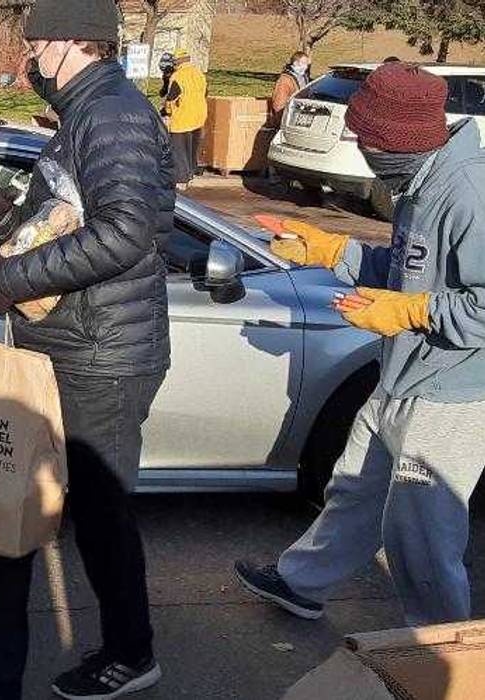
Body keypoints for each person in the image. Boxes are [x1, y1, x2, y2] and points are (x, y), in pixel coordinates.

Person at [0, 0, 175, 698]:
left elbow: (125, 231)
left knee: (96, 519)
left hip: (100, 356)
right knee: (8, 503)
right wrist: (9, 225)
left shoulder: (110, 114)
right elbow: (69, 220)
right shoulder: (87, 112)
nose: (29, 58)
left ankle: (128, 654)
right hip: (67, 345)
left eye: (36, 44)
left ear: (69, 41)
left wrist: (10, 279)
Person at [235, 63, 485, 629]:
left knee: (421, 532)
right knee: (355, 487)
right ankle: (302, 583)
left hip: (452, 393)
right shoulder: (418, 182)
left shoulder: (469, 192)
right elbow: (404, 269)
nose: (357, 143)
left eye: (365, 137)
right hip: (403, 371)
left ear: (397, 140)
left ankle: (442, 650)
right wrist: (331, 252)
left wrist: (413, 311)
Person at [163, 48, 207, 188]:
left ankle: (181, 179)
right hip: (198, 117)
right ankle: (191, 173)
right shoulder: (199, 73)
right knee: (191, 149)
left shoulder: (178, 76)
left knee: (179, 150)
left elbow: (172, 97)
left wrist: (167, 111)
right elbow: (205, 92)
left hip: (181, 118)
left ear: (176, 62)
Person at [270, 51, 311, 123]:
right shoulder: (284, 80)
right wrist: (283, 119)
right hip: (287, 117)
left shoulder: (304, 77)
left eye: (307, 64)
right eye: (303, 63)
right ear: (295, 63)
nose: (305, 66)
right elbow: (279, 103)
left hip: (299, 115)